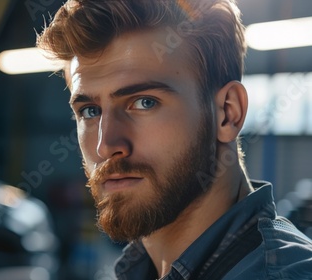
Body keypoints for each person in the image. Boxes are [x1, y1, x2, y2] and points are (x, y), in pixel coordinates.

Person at [36, 0, 312, 279]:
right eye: (90, 111)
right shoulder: (138, 269)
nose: (105, 145)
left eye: (144, 103)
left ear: (228, 113)